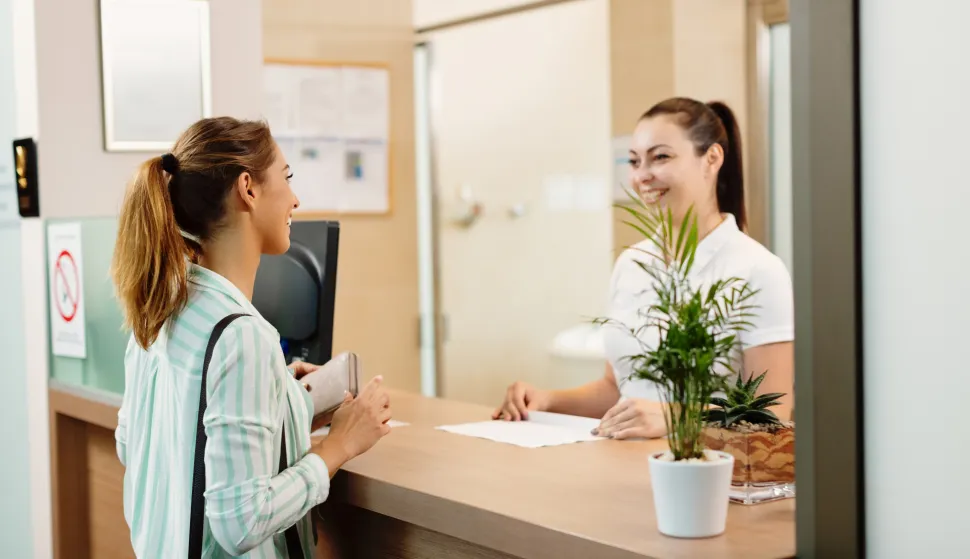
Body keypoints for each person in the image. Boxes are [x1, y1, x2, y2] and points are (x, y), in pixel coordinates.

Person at [111, 117, 392, 558]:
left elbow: (134, 444)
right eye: (287, 177)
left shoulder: (160, 308)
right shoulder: (242, 336)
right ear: (248, 188)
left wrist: (284, 399)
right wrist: (340, 446)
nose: (295, 199)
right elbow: (241, 522)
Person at [493, 97, 794, 440]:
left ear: (712, 159)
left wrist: (676, 417)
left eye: (660, 157)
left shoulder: (759, 270)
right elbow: (617, 388)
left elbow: (771, 414)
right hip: (620, 469)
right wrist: (546, 399)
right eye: (634, 161)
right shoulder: (632, 263)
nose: (641, 176)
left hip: (711, 477)